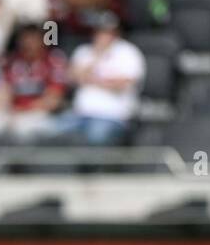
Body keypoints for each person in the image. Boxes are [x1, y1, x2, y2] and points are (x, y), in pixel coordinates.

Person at [52, 11, 144, 146]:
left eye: (106, 32)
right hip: (80, 114)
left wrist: (91, 80)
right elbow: (72, 77)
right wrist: (97, 56)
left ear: (115, 32)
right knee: (50, 132)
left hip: (113, 117)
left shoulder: (128, 52)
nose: (101, 35)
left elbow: (122, 85)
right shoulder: (84, 51)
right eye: (99, 31)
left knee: (95, 137)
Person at [3, 23, 68, 141]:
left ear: (42, 40)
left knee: (24, 130)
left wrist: (24, 110)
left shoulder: (54, 60)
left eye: (32, 38)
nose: (28, 43)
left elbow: (53, 100)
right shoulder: (12, 62)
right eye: (25, 39)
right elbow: (2, 94)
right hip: (14, 115)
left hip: (43, 116)